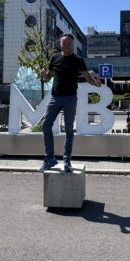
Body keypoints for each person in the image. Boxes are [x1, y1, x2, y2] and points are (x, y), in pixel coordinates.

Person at [39, 34, 101, 172]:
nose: (66, 46)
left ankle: (67, 161)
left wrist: (95, 83)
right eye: (64, 44)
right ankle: (49, 158)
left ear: (72, 45)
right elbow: (49, 77)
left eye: (69, 44)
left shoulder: (78, 60)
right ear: (60, 44)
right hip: (55, 97)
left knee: (68, 130)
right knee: (46, 125)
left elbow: (87, 77)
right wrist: (44, 76)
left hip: (70, 98)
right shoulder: (55, 58)